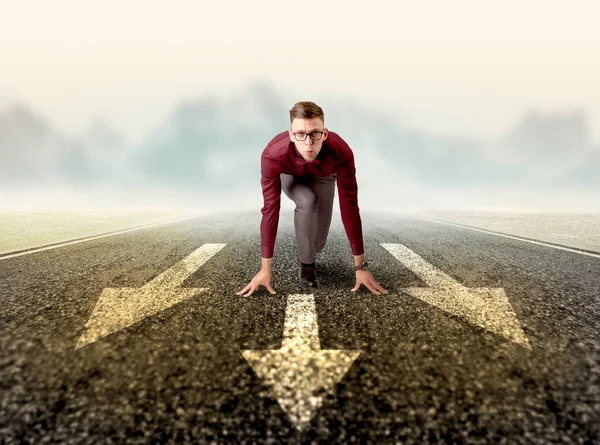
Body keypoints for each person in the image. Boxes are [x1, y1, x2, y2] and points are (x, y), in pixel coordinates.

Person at [236, 101, 388, 297]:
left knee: (318, 244)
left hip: (324, 174)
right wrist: (265, 269)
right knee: (308, 200)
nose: (308, 143)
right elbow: (270, 209)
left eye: (314, 134)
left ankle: (311, 251)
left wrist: (360, 268)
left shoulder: (342, 152)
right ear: (291, 135)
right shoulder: (272, 155)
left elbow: (350, 206)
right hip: (290, 174)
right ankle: (307, 266)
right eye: (300, 134)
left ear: (324, 134)